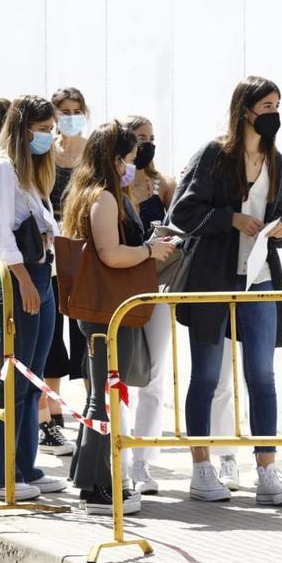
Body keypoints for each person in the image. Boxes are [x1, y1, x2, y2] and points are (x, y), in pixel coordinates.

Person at [168, 75, 282, 505]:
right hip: (213, 278)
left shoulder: (277, 162)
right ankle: (201, 468)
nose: (275, 114)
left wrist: (277, 228)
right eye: (267, 106)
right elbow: (183, 211)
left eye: (278, 105)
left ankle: (266, 471)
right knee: (205, 376)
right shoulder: (214, 154)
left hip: (260, 277)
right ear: (246, 111)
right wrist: (231, 219)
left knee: (262, 376)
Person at [62, 121, 177, 514]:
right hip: (108, 311)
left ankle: (93, 481)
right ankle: (98, 488)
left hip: (104, 308)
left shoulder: (94, 193)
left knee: (102, 394)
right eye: (128, 159)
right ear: (114, 159)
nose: (133, 165)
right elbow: (111, 254)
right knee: (105, 397)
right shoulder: (105, 198)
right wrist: (148, 251)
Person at [0, 95, 67, 500]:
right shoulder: (3, 169)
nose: (49, 137)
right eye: (43, 129)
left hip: (41, 274)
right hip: (20, 278)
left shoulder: (32, 171)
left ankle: (25, 467)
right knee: (13, 379)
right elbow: (1, 234)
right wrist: (24, 281)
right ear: (23, 128)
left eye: (52, 130)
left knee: (33, 382)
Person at [119, 114, 176, 495]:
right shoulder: (112, 187)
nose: (147, 145)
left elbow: (177, 231)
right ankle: (119, 461)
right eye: (140, 138)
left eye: (152, 138)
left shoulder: (163, 184)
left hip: (157, 290)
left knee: (154, 377)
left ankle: (142, 462)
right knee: (120, 377)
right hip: (121, 291)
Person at [35, 86, 90, 457]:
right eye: (63, 110)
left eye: (76, 109)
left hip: (85, 254)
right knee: (52, 338)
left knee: (86, 337)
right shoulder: (45, 152)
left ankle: (94, 414)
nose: (70, 115)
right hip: (51, 253)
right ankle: (51, 418)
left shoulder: (92, 151)